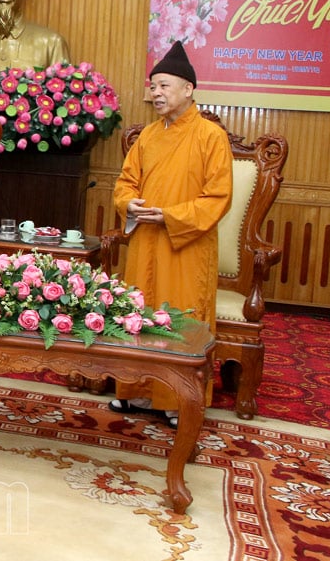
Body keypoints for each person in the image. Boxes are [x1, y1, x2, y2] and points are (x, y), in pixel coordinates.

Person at [109, 41, 233, 427]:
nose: (156, 93)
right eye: (153, 86)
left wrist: (171, 216)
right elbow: (125, 182)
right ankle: (136, 391)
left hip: (186, 246)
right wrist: (128, 205)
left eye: (164, 85)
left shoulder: (211, 137)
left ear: (188, 89)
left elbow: (218, 198)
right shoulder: (147, 135)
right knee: (140, 316)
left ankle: (179, 399)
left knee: (180, 321)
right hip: (145, 242)